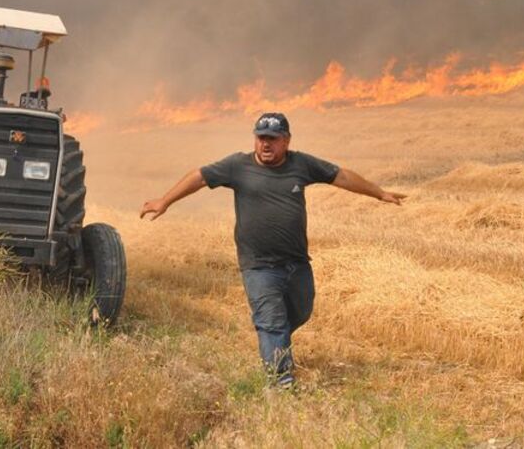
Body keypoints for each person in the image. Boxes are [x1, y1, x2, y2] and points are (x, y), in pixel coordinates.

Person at [140, 112, 406, 388]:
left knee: (301, 311)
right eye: (261, 138)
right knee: (272, 321)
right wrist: (165, 200)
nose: (266, 144)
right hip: (258, 265)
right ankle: (281, 383)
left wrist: (379, 193)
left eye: (273, 139)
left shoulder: (302, 164)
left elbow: (341, 177)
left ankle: (274, 341)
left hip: (297, 262)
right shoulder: (237, 166)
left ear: (286, 141)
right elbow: (199, 177)